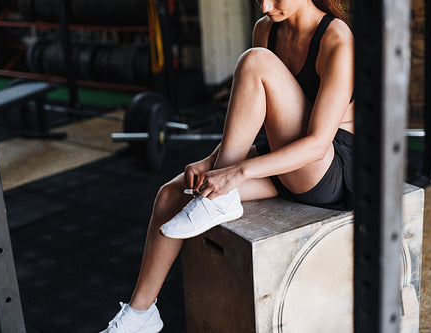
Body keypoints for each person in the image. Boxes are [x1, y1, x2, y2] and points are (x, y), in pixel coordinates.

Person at [100, 0, 354, 331]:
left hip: (324, 169)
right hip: (279, 158)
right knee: (170, 195)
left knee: (256, 62)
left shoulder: (337, 39)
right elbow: (258, 119)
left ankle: (218, 199)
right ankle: (140, 315)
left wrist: (235, 173)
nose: (265, 5)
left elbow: (317, 143)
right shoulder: (266, 27)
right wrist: (212, 163)